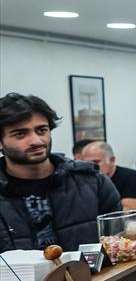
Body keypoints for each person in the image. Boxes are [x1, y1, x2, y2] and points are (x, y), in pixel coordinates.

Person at [0, 93, 120, 252]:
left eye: (42, 130)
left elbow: (120, 243)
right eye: (20, 134)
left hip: (95, 276)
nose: (36, 141)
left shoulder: (92, 181)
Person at [79, 141, 136, 211]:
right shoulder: (87, 180)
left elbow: (129, 211)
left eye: (96, 162)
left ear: (112, 160)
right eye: (86, 163)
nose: (91, 166)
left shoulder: (132, 177)